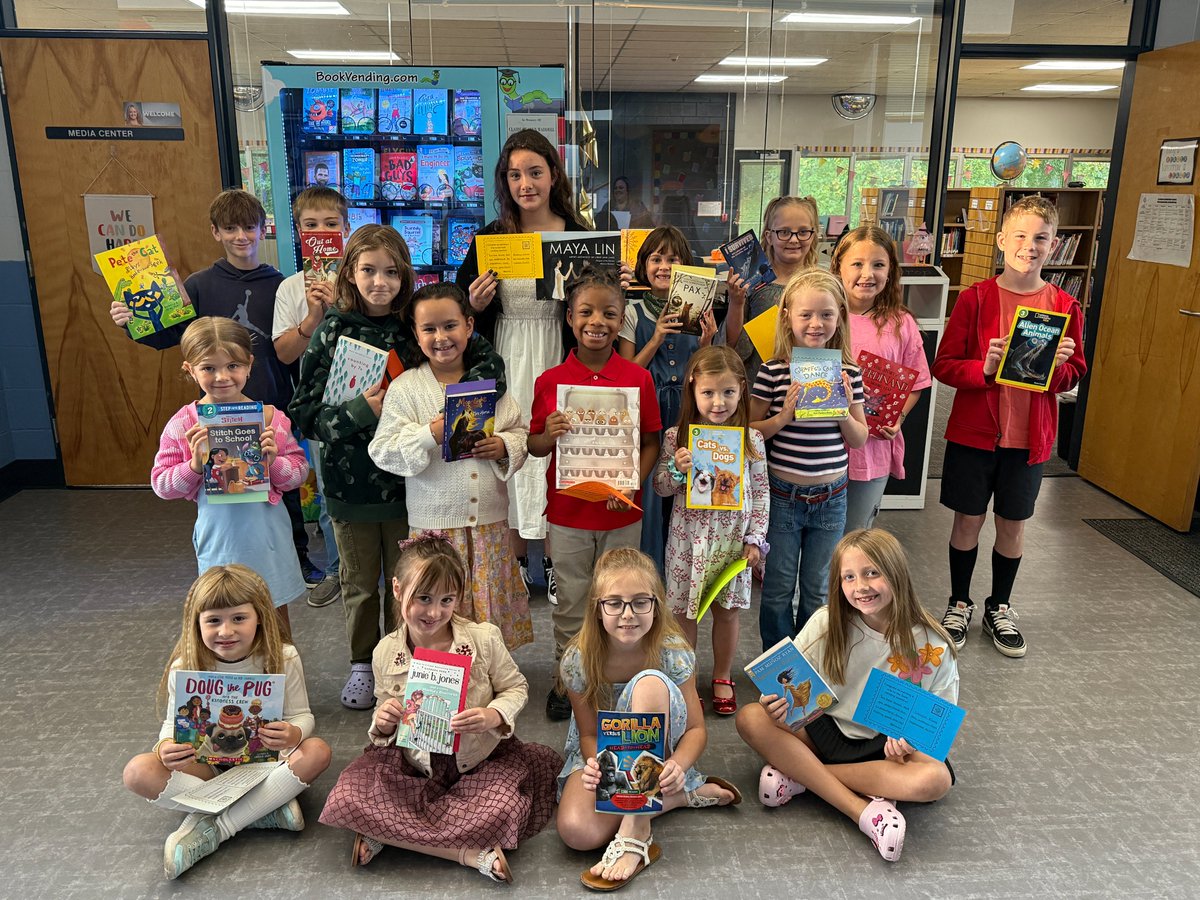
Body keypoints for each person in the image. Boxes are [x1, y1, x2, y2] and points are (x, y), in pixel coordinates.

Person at [290, 224, 505, 709]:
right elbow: (304, 414)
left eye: (390, 272)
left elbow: (489, 368)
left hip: (416, 487)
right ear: (350, 272)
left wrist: (452, 415)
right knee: (361, 583)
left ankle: (407, 661)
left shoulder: (417, 325)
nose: (380, 282)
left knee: (411, 585)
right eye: (368, 271)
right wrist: (360, 412)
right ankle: (364, 663)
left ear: (405, 275)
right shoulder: (333, 329)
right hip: (352, 485)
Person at [109, 189, 324, 588]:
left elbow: (295, 343)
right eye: (230, 228)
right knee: (220, 481)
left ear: (264, 230)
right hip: (217, 409)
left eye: (249, 227)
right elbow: (168, 334)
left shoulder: (281, 284)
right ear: (215, 232)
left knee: (280, 485)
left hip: (271, 400)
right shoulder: (200, 284)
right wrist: (131, 321)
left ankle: (296, 558)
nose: (241, 236)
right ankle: (226, 567)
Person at [318, 535, 561, 881]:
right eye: (423, 598)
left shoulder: (482, 638)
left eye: (447, 600)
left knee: (506, 807)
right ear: (398, 590)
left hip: (478, 760)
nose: (434, 612)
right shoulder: (386, 652)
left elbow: (515, 687)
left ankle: (390, 833)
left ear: (459, 597)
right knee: (347, 795)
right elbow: (387, 706)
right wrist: (384, 720)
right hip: (415, 762)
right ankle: (466, 853)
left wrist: (493, 715)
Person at [735, 529, 958, 863]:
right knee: (751, 717)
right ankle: (863, 809)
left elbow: (935, 731)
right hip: (825, 729)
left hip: (884, 749)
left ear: (896, 574)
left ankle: (803, 777)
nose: (861, 587)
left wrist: (909, 742)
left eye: (872, 573)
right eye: (849, 577)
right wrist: (778, 704)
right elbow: (794, 687)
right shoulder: (827, 622)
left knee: (935, 779)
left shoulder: (934, 645)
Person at [932, 195, 1086, 658]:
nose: (1029, 246)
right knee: (967, 521)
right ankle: (959, 601)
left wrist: (1059, 367)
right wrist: (984, 367)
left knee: (1013, 526)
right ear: (1001, 240)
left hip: (1029, 441)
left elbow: (1073, 372)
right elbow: (944, 365)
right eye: (1020, 235)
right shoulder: (975, 299)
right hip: (974, 435)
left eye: (1040, 238)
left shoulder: (1064, 305)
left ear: (1053, 244)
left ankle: (1000, 605)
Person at [121, 564, 332, 879]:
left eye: (238, 618)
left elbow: (303, 715)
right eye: (213, 621)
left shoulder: (282, 656)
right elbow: (171, 724)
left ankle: (217, 827)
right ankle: (263, 809)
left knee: (316, 751)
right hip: (207, 767)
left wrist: (293, 733)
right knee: (138, 772)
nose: (226, 631)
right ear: (197, 623)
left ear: (259, 616)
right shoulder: (186, 665)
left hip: (266, 764)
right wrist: (165, 746)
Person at [554, 548, 741, 891]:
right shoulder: (578, 659)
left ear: (656, 605)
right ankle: (681, 798)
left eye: (641, 602)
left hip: (660, 752)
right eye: (614, 603)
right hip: (608, 753)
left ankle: (637, 828)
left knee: (650, 682)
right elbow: (587, 734)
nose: (628, 614)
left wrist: (679, 765)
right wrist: (598, 763)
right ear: (597, 607)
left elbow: (697, 730)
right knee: (577, 832)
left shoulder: (672, 650)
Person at [457, 128, 591, 603]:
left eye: (534, 172)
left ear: (553, 175)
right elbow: (461, 310)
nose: (525, 184)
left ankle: (554, 563)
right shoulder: (492, 238)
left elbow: (593, 306)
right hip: (507, 355)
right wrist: (473, 302)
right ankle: (514, 566)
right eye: (514, 175)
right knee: (510, 453)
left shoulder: (576, 235)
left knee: (556, 455)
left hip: (556, 354)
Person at [528, 267, 661, 720]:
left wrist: (630, 482)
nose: (597, 321)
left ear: (623, 318)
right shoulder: (550, 382)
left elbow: (651, 442)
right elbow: (534, 446)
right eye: (586, 311)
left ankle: (620, 679)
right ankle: (569, 681)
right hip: (567, 513)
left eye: (609, 313)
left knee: (623, 600)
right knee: (570, 600)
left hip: (621, 512)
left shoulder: (636, 379)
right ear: (570, 316)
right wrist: (548, 432)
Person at [368, 283, 533, 650]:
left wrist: (504, 445)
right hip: (435, 532)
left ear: (470, 326)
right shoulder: (407, 389)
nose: (441, 337)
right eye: (429, 329)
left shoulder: (492, 386)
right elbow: (383, 451)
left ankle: (487, 682)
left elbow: (520, 431)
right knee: (438, 613)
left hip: (489, 528)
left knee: (487, 618)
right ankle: (439, 686)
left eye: (450, 326)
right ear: (416, 333)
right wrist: (431, 433)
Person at [152, 318, 309, 634]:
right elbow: (161, 483)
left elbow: (298, 475)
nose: (222, 377)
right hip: (221, 542)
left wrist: (273, 462)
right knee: (226, 621)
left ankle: (282, 681)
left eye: (233, 365)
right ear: (190, 369)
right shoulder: (185, 424)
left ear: (249, 365)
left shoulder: (270, 419)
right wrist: (194, 466)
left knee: (275, 619)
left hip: (267, 540)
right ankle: (236, 682)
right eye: (208, 368)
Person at [749, 270, 868, 649]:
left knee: (818, 587)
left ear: (840, 318)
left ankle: (811, 661)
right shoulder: (772, 372)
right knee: (779, 585)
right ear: (787, 316)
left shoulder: (849, 373)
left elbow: (859, 438)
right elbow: (749, 434)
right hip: (783, 495)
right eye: (806, 315)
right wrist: (783, 416)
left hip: (831, 497)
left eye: (827, 315)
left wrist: (842, 410)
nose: (816, 324)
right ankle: (778, 661)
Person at [654, 345, 768, 715]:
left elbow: (763, 493)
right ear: (692, 389)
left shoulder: (752, 442)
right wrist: (676, 468)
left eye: (728, 392)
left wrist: (755, 539)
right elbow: (660, 488)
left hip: (733, 545)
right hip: (689, 542)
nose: (718, 402)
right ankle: (686, 679)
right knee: (685, 615)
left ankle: (722, 674)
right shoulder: (677, 438)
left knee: (728, 612)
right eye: (708, 392)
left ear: (742, 391)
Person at [618, 224, 717, 569]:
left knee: (685, 488)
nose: (663, 266)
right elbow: (627, 374)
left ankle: (683, 567)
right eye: (656, 258)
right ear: (644, 264)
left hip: (688, 411)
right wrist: (657, 337)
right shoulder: (632, 312)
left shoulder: (701, 310)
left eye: (672, 259)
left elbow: (708, 372)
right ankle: (650, 572)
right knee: (650, 491)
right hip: (649, 412)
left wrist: (706, 344)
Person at [272, 185, 352, 609]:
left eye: (331, 224)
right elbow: (284, 352)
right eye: (311, 225)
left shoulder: (364, 277)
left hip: (371, 396)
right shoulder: (290, 289)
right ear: (300, 232)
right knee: (326, 488)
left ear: (346, 227)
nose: (321, 231)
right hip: (322, 405)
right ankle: (339, 569)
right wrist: (314, 315)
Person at [832, 226, 932, 530]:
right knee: (818, 541)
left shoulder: (901, 324)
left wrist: (897, 417)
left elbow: (915, 384)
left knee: (854, 534)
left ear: (890, 271)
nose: (867, 273)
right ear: (838, 267)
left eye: (878, 264)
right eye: (857, 263)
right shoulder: (821, 313)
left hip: (869, 450)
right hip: (820, 446)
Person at [721, 195, 822, 384]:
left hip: (808, 383)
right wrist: (736, 302)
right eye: (784, 232)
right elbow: (732, 345)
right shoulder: (753, 282)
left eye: (802, 232)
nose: (793, 240)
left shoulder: (822, 285)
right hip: (757, 385)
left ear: (813, 235)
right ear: (769, 236)